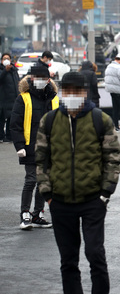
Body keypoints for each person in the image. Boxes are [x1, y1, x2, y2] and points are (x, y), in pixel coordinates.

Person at [35, 72, 120, 294]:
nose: (71, 95)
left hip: (93, 199)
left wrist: (106, 193)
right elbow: (41, 159)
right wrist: (47, 194)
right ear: (62, 92)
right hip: (60, 201)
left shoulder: (100, 120)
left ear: (84, 92)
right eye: (67, 90)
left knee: (96, 254)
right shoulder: (49, 121)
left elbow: (113, 158)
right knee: (68, 259)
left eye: (76, 90)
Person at [11, 65, 59, 230]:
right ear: (31, 79)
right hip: (30, 146)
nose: (39, 81)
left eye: (43, 78)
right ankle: (25, 213)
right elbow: (15, 124)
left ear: (48, 80)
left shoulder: (54, 99)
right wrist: (19, 145)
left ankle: (38, 214)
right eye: (36, 77)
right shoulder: (23, 98)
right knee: (31, 179)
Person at [0, 53, 20, 142]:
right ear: (1, 61)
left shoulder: (14, 70)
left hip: (13, 98)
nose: (6, 60)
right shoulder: (1, 70)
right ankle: (1, 135)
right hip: (3, 98)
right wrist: (5, 70)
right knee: (2, 118)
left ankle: (9, 136)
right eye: (4, 59)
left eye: (8, 58)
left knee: (11, 118)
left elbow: (17, 82)